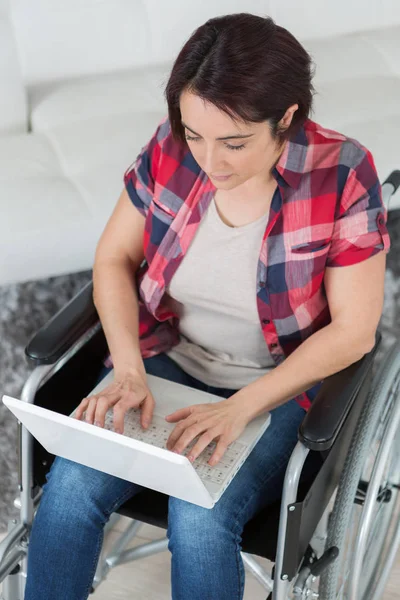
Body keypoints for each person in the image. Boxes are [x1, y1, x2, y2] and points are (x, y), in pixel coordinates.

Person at [24, 12, 390, 600]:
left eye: (234, 142)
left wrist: (238, 408)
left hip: (278, 386)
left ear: (287, 119)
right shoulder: (172, 150)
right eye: (195, 135)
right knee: (68, 492)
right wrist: (127, 368)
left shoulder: (343, 175)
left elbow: (354, 332)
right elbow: (113, 260)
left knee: (198, 519)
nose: (209, 161)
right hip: (170, 359)